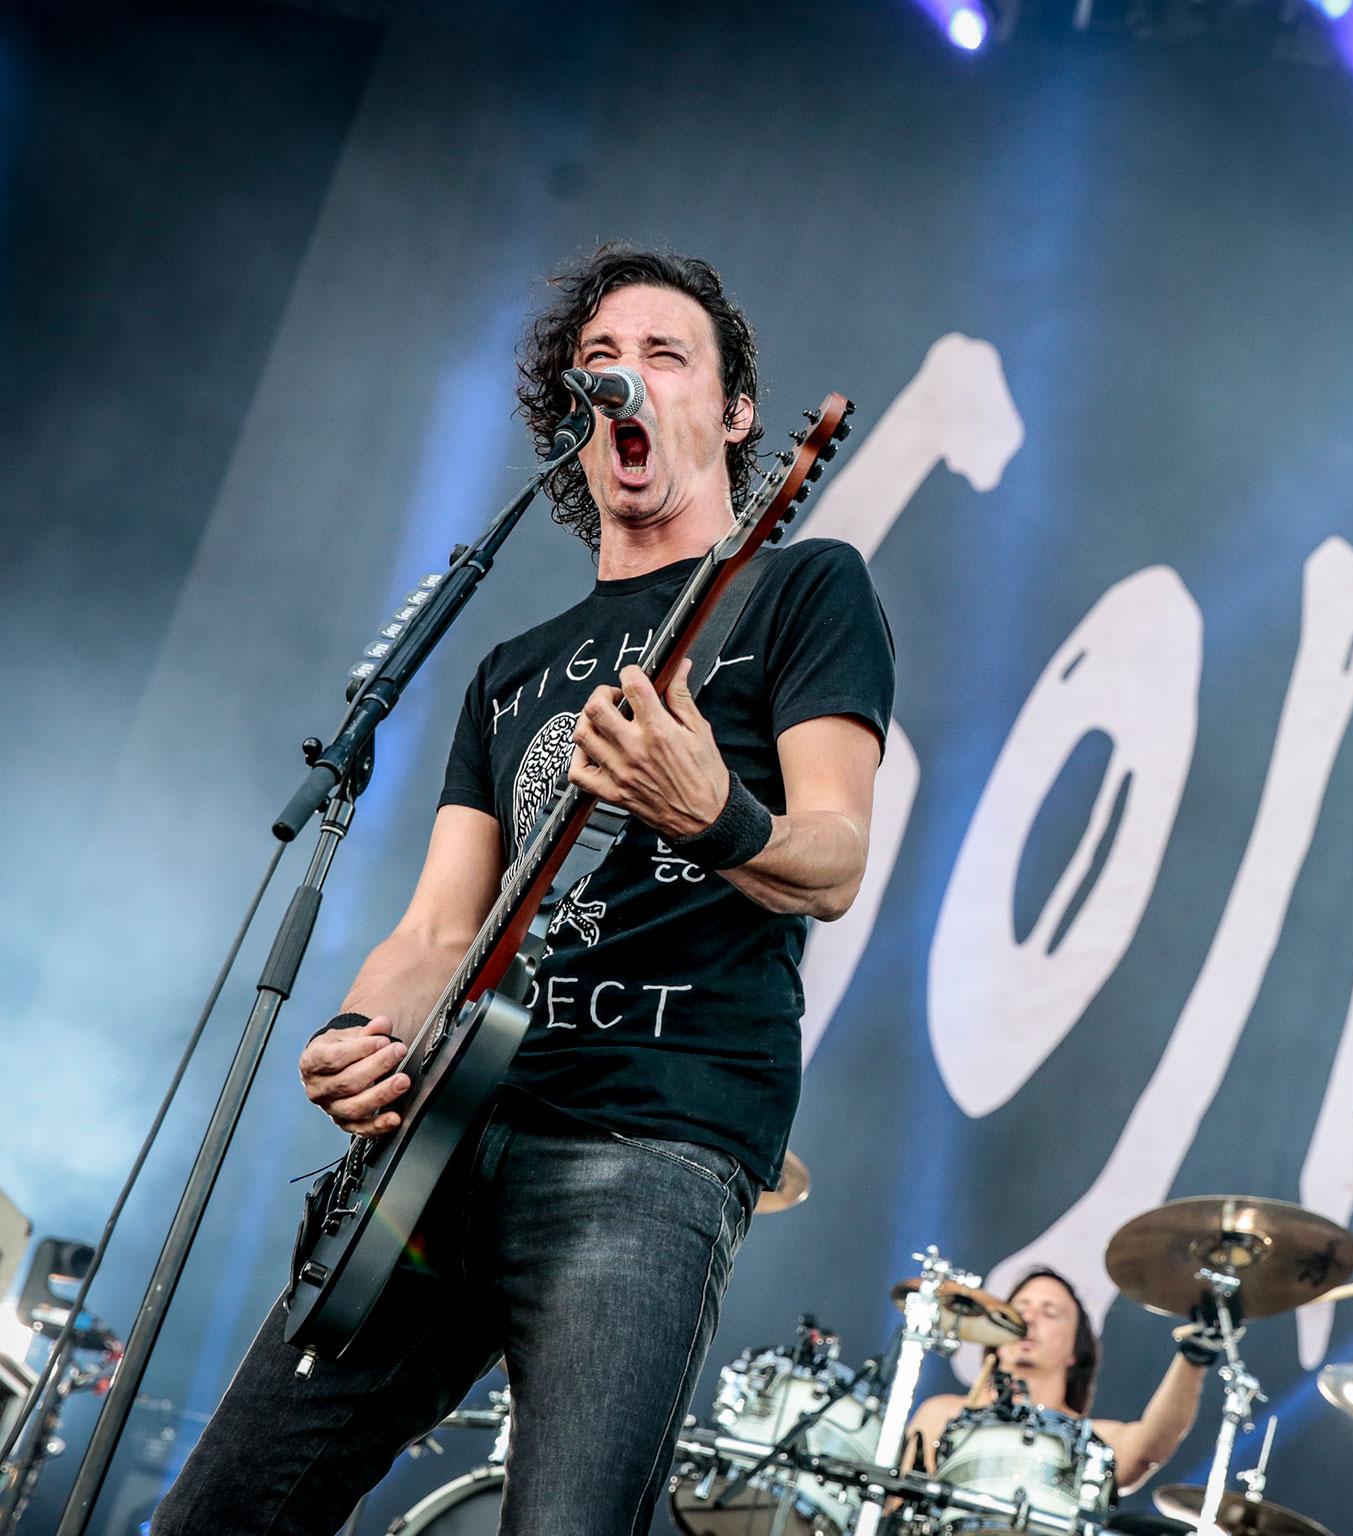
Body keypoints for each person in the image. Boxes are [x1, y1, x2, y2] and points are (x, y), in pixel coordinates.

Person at [151, 245, 895, 1536]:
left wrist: (709, 808)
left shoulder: (800, 589)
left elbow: (833, 857)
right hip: (440, 1146)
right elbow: (439, 929)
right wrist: (353, 1035)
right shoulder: (509, 667)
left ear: (733, 417)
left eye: (669, 358)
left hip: (649, 1149)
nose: (630, 382)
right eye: (602, 362)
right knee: (220, 1509)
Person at [902, 1269, 1216, 1496]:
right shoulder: (941, 1414)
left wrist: (1193, 1358)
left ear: (1074, 1353)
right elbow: (892, 1507)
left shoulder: (1090, 1440)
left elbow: (1149, 1446)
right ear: (994, 1338)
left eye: (1050, 1313)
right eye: (1019, 1310)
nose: (1029, 1319)